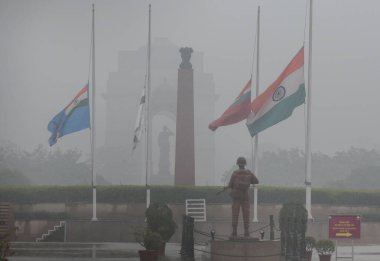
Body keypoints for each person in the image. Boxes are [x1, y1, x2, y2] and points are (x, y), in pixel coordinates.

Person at [227, 156, 259, 238]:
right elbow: (256, 181)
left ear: (238, 163)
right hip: (245, 196)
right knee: (246, 213)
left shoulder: (235, 173)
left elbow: (230, 185)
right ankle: (246, 232)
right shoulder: (248, 172)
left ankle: (234, 232)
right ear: (245, 164)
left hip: (237, 196)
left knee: (235, 214)